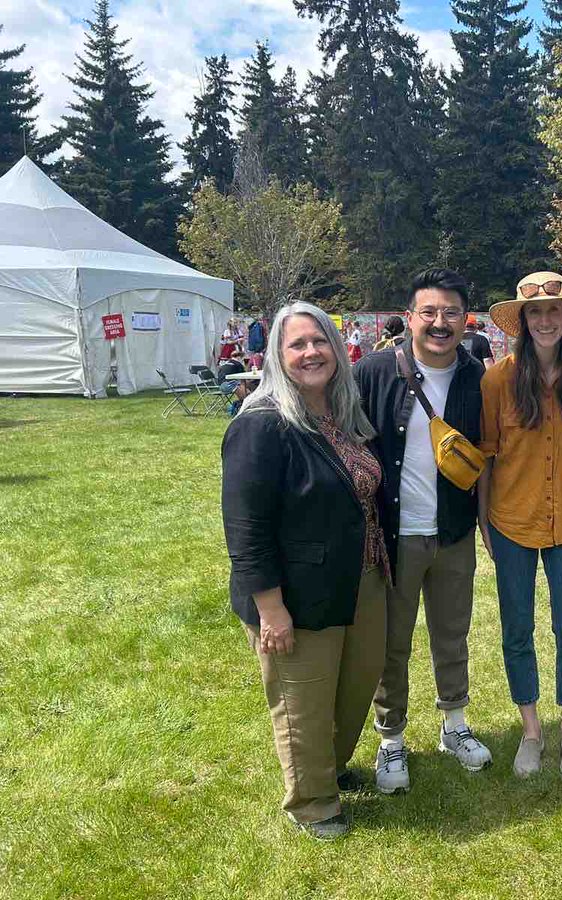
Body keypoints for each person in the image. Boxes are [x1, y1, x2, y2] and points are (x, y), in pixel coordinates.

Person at [221, 301, 386, 841]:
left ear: (337, 351)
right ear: (278, 355)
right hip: (294, 592)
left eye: (319, 342)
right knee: (303, 698)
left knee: (355, 685)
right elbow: (246, 530)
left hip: (359, 577)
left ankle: (329, 768)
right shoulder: (261, 426)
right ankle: (312, 802)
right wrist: (271, 609)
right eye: (297, 344)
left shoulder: (340, 414)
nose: (311, 352)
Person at [353, 268, 492, 794]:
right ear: (410, 317)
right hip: (395, 536)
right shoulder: (372, 373)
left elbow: (486, 458)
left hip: (452, 532)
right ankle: (391, 739)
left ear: (465, 319)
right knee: (393, 641)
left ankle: (454, 726)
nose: (440, 323)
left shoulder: (478, 377)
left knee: (452, 634)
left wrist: (485, 525)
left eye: (451, 313)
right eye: (429, 312)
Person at [479, 271, 562, 778]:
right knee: (517, 629)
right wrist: (485, 522)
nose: (546, 320)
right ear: (523, 321)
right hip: (511, 520)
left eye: (555, 311)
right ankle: (531, 729)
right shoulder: (497, 380)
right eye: (536, 312)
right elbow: (486, 456)